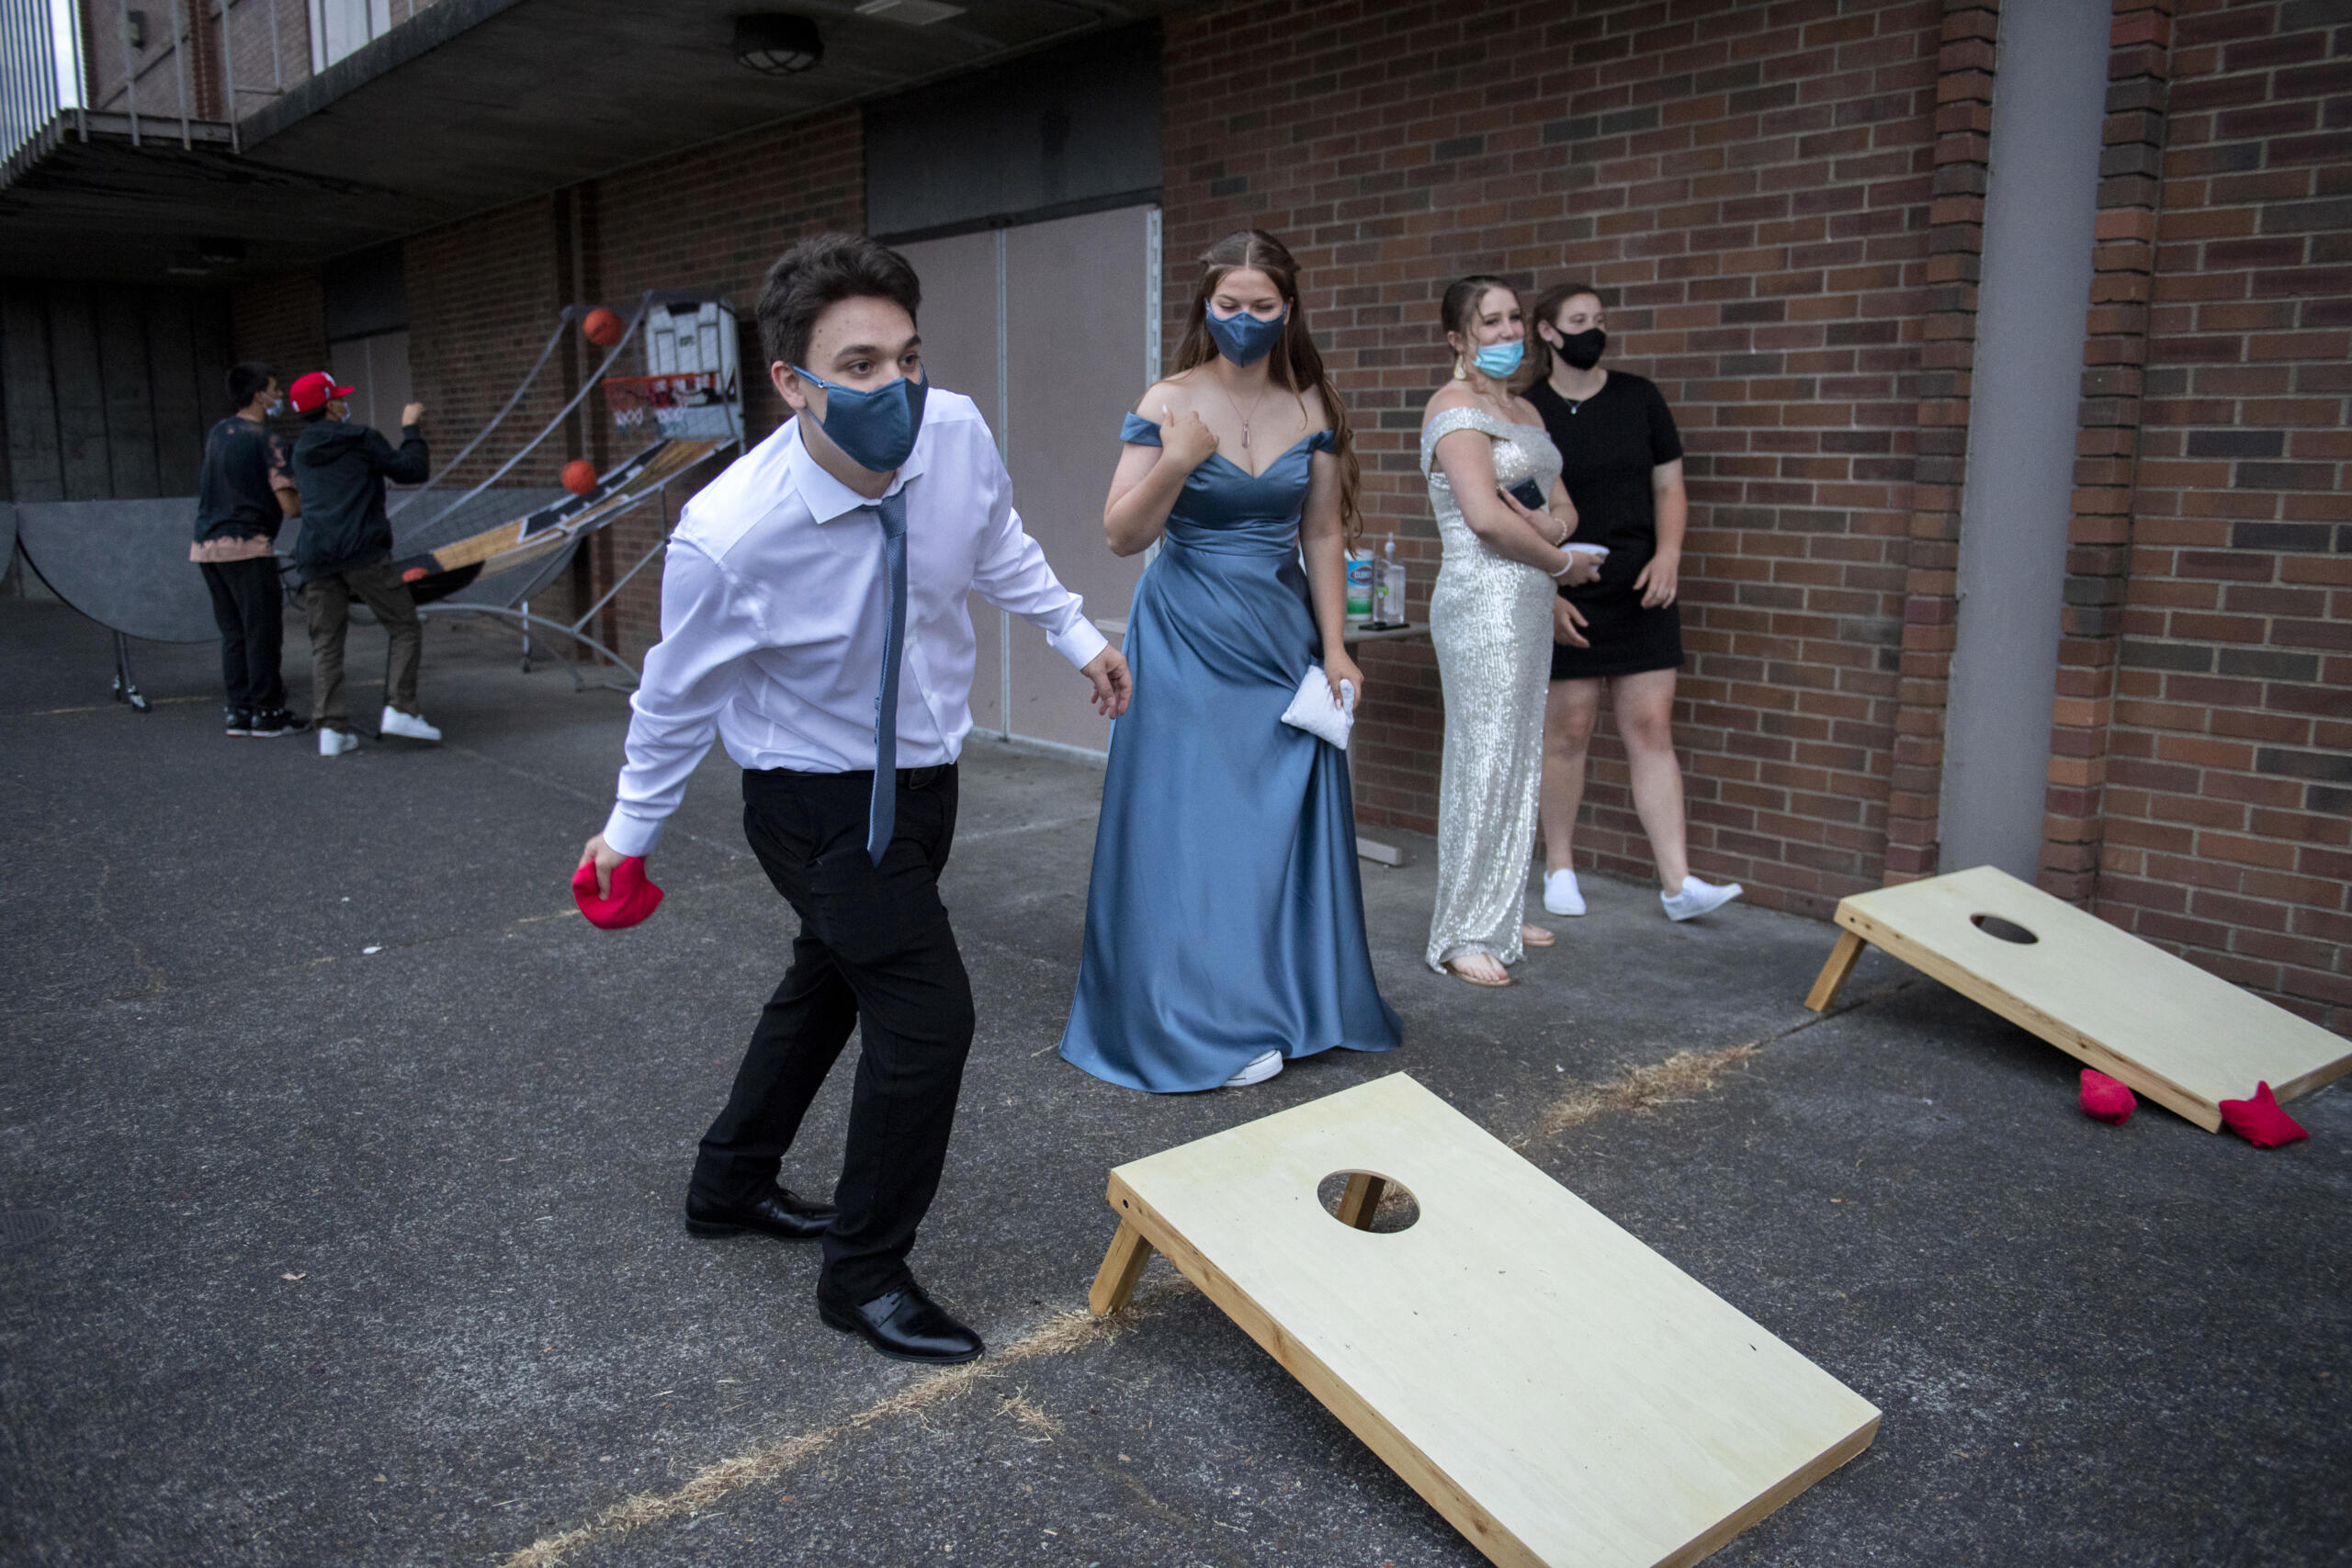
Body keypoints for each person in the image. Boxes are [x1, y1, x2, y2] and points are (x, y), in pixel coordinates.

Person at [576, 233, 1133, 1366]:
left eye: (909, 357)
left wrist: (1077, 632)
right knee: (928, 1019)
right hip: (813, 806)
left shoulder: (957, 432)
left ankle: (728, 1186)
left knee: (828, 984)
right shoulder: (730, 536)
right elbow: (674, 699)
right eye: (863, 365)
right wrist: (626, 837)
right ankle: (864, 1275)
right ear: (792, 382)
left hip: (926, 778)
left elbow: (994, 542)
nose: (899, 389)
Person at [1058, 230, 1402, 1093]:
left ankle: (1283, 1000)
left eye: (1261, 306)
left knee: (1270, 826)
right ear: (1203, 307)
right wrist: (1177, 459)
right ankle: (1193, 1016)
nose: (1242, 320)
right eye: (1227, 305)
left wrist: (1335, 648)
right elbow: (1119, 533)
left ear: (1288, 308)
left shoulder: (1311, 401)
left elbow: (1322, 532)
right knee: (1192, 826)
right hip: (1185, 634)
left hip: (1278, 634)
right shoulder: (1170, 397)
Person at [1525, 284, 1741, 922]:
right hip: (1566, 583)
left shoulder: (1639, 398)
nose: (1594, 330)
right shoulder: (1526, 409)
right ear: (1547, 332)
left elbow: (1669, 486)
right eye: (1579, 320)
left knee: (1650, 728)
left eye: (1600, 319)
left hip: (1642, 583)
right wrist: (1546, 590)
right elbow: (1516, 506)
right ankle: (1560, 868)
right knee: (1569, 730)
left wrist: (1668, 553)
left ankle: (1678, 883)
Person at [1420, 276, 1601, 987]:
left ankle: (1498, 904)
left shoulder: (1523, 407)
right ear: (1457, 340)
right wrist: (1562, 561)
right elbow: (1486, 518)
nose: (1506, 333)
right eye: (1488, 323)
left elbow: (1562, 503)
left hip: (1524, 600)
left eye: (1514, 320)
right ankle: (1462, 929)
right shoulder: (1453, 406)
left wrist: (1552, 530)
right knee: (1482, 757)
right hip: (1481, 601)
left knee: (1518, 752)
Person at [286, 373, 438, 756]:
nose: (344, 403)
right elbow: (411, 470)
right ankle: (401, 709)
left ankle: (331, 730)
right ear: (333, 406)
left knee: (327, 642)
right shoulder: (361, 438)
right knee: (404, 626)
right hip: (363, 552)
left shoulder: (301, 450)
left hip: (317, 556)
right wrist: (410, 428)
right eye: (339, 398)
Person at [191, 362, 305, 739]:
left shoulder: (218, 432)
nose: (279, 398)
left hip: (206, 547)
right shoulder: (267, 441)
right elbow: (290, 505)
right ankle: (269, 713)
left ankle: (239, 711)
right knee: (263, 632)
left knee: (234, 632)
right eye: (275, 390)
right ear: (258, 395)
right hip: (248, 547)